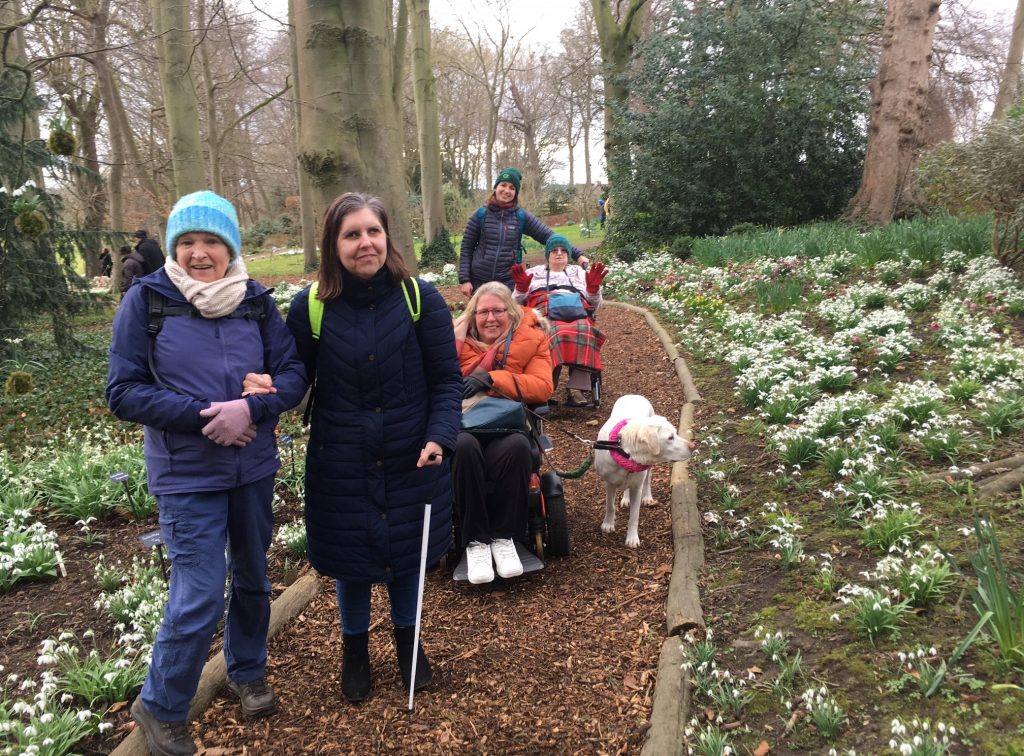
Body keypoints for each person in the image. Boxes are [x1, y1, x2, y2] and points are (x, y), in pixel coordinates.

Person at [107, 190, 307, 756]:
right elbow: (122, 392)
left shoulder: (255, 301)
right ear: (173, 248)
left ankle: (246, 671)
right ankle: (162, 703)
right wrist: (205, 418)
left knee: (251, 576)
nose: (200, 253)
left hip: (253, 467)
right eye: (188, 242)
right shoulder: (146, 303)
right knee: (197, 592)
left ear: (230, 248)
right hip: (186, 473)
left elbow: (291, 374)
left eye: (212, 242)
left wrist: (256, 406)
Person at [277, 192, 461, 704]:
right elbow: (296, 379)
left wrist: (439, 435)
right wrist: (264, 389)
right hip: (341, 456)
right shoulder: (311, 308)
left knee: (406, 555)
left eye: (373, 232)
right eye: (351, 234)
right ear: (333, 244)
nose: (365, 243)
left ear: (388, 237)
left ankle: (408, 642)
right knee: (352, 558)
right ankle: (354, 650)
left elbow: (447, 381)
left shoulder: (420, 299)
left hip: (411, 450)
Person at [453, 281, 554, 585]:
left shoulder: (532, 340)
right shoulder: (453, 342)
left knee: (517, 448)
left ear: (511, 313)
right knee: (462, 447)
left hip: (506, 423)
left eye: (498, 311)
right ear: (473, 316)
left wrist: (492, 378)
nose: (491, 318)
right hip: (463, 423)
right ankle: (475, 543)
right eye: (483, 312)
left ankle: (504, 538)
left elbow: (543, 386)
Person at [459, 166, 589, 297]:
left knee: (506, 316)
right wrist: (465, 279)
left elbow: (549, 236)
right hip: (479, 281)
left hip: (507, 283)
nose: (507, 190)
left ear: (516, 193)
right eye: (503, 185)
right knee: (480, 316)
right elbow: (466, 248)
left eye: (512, 188)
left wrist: (577, 254)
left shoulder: (521, 217)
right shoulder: (480, 214)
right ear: (495, 188)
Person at [511, 234, 608, 406]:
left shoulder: (578, 272)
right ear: (547, 254)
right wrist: (521, 288)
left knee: (584, 329)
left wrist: (593, 289)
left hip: (576, 310)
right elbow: (515, 304)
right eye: (554, 250)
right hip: (544, 312)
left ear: (569, 254)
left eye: (563, 250)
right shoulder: (534, 273)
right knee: (552, 333)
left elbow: (596, 304)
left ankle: (576, 388)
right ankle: (546, 387)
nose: (559, 253)